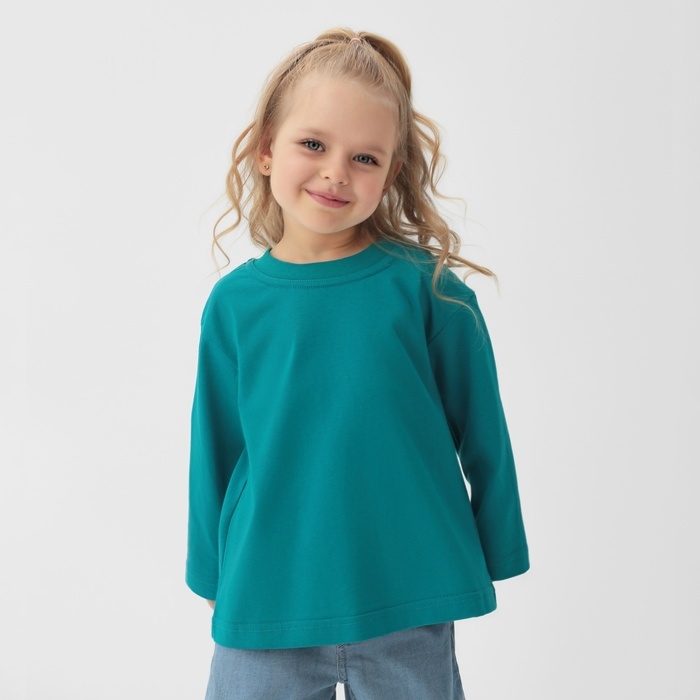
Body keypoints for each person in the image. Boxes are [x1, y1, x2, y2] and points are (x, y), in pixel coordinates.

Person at [186, 27, 529, 700]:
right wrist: (211, 574)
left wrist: (497, 546)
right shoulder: (234, 305)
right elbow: (216, 448)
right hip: (268, 594)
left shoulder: (429, 291)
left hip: (407, 592)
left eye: (365, 157)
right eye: (313, 144)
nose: (336, 171)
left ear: (392, 173)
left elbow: (483, 429)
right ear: (265, 149)